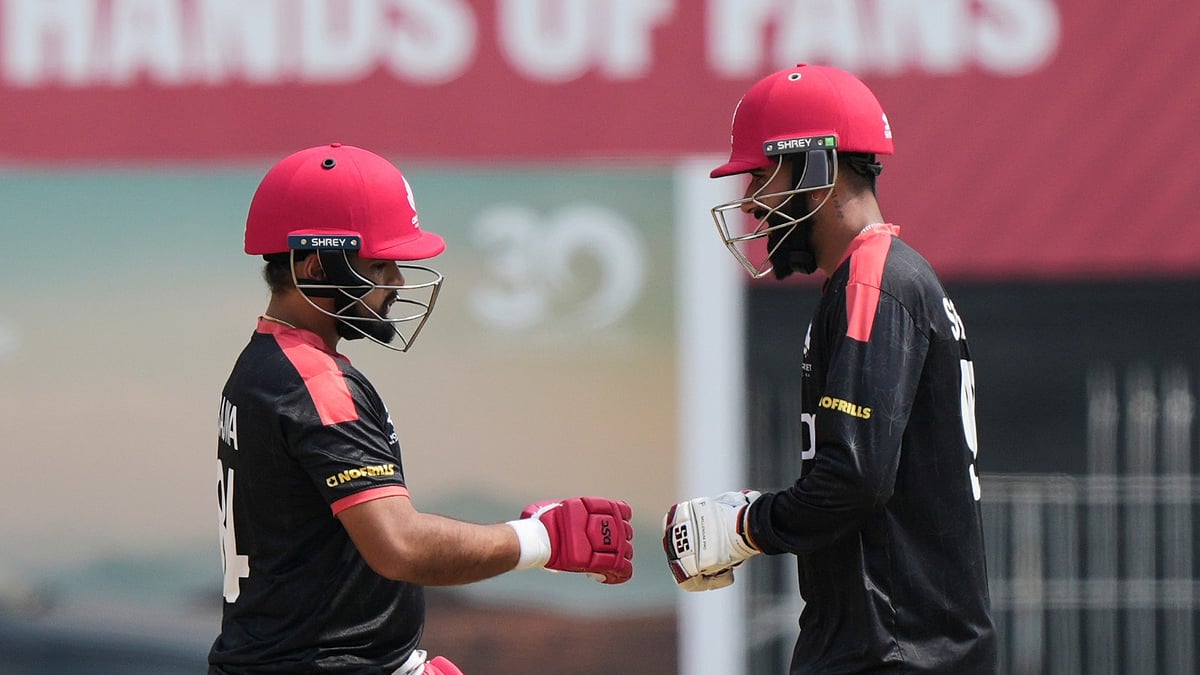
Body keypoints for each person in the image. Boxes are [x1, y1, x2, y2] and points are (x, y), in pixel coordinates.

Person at [210, 143, 634, 674]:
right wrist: (541, 540)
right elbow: (399, 545)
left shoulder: (261, 365)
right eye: (381, 265)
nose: (395, 284)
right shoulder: (314, 382)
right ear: (315, 262)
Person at [662, 64, 997, 673]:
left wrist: (747, 525)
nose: (751, 202)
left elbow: (853, 479)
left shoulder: (874, 280)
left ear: (817, 167)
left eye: (761, 176)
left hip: (893, 654)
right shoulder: (880, 277)